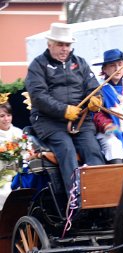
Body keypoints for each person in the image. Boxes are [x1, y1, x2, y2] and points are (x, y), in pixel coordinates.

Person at [25, 22, 105, 197]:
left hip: (81, 122)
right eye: (60, 44)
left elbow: (94, 88)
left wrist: (95, 100)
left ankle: (98, 198)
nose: (64, 49)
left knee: (94, 150)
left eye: (67, 45)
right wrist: (64, 110)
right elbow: (38, 96)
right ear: (50, 44)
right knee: (66, 150)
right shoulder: (37, 65)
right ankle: (75, 200)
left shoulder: (81, 64)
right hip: (49, 123)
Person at [0, 97, 23, 209]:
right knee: (5, 193)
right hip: (2, 176)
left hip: (18, 174)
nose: (6, 119)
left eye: (8, 115)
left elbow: (26, 153)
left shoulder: (18, 133)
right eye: (2, 116)